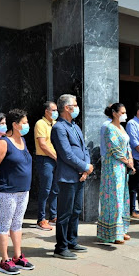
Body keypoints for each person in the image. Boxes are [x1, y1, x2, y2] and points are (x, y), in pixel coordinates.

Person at [0, 109, 35, 274]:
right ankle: (5, 260)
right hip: (7, 191)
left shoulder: (22, 140)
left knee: (17, 223)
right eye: (24, 122)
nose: (27, 125)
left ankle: (17, 256)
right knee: (4, 224)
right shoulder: (3, 143)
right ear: (15, 125)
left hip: (23, 190)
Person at [50, 94, 92, 259]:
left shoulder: (74, 125)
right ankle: (61, 247)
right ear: (67, 108)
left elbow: (84, 149)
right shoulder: (59, 128)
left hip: (80, 175)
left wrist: (85, 168)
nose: (77, 107)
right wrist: (84, 167)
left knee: (76, 210)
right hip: (67, 177)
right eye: (75, 105)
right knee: (65, 213)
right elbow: (66, 154)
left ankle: (71, 241)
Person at [98, 103, 134, 243]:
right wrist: (127, 161)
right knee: (114, 199)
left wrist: (130, 158)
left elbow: (127, 145)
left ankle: (121, 229)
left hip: (122, 167)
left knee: (123, 197)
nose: (124, 115)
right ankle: (112, 232)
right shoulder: (109, 128)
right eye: (122, 112)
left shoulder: (122, 128)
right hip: (113, 166)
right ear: (114, 113)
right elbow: (113, 149)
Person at [34, 101, 59, 231]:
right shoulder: (40, 124)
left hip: (56, 160)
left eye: (56, 110)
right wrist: (55, 156)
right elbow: (42, 144)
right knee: (46, 189)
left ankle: (53, 215)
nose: (55, 112)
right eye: (53, 110)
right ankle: (41, 218)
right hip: (45, 159)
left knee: (55, 189)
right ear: (46, 111)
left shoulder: (55, 124)